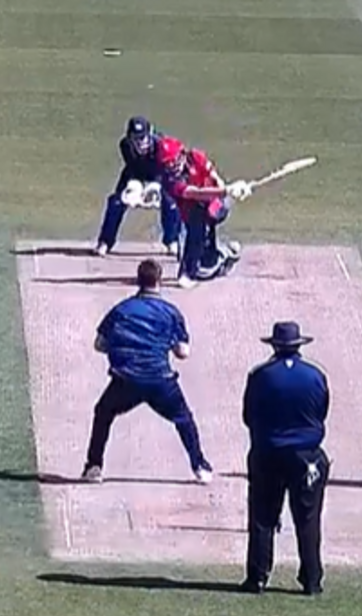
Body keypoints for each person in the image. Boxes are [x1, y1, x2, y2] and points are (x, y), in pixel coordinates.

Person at [81, 258, 215, 484]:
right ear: (159, 281)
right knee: (183, 418)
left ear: (138, 281)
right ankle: (200, 466)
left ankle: (94, 467)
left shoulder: (121, 310)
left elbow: (99, 344)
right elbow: (183, 352)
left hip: (126, 379)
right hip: (160, 379)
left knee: (103, 412)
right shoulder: (171, 312)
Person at [240, 321, 331, 596]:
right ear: (298, 345)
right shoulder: (315, 376)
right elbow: (321, 412)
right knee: (308, 517)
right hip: (307, 457)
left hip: (268, 452)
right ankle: (312, 579)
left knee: (263, 516)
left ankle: (257, 577)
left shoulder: (260, 376)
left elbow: (248, 416)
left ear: (275, 346)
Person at [158, 135, 248, 289]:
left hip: (213, 202)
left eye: (174, 160)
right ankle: (187, 273)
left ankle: (222, 253)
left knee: (212, 222)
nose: (172, 165)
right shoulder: (169, 180)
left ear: (182, 154)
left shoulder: (194, 156)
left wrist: (227, 188)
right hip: (191, 206)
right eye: (168, 163)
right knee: (196, 232)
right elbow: (194, 193)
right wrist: (224, 191)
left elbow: (211, 173)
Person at [94, 116, 182, 256]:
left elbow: (167, 168)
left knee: (171, 203)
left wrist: (156, 186)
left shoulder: (162, 146)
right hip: (135, 174)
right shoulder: (125, 146)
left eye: (143, 137)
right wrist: (135, 188)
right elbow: (133, 167)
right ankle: (105, 241)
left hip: (161, 174)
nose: (140, 142)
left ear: (150, 134)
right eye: (135, 138)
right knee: (115, 202)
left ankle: (172, 241)